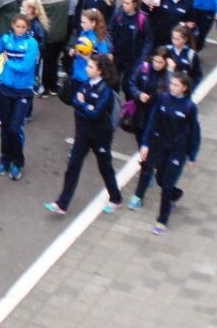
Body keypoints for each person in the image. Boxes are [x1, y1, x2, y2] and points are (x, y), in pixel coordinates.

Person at [44, 54, 123, 215]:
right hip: (83, 132)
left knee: (104, 166)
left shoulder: (106, 91)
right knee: (73, 165)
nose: (87, 69)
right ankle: (62, 203)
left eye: (91, 67)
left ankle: (115, 198)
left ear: (100, 71)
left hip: (101, 135)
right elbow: (75, 101)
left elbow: (95, 113)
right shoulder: (86, 83)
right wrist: (86, 106)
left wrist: (82, 103)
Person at [131, 71, 200, 234]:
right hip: (160, 145)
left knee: (167, 184)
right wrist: (146, 143)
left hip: (178, 150)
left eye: (176, 85)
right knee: (160, 178)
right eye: (171, 84)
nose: (172, 87)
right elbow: (153, 121)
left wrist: (192, 155)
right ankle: (176, 194)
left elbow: (194, 133)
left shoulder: (189, 107)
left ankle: (162, 220)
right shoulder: (163, 99)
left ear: (184, 88)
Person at [0, 14, 40, 181]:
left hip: (23, 91)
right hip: (6, 88)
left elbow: (25, 67)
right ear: (13, 26)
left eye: (23, 27)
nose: (20, 30)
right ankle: (5, 160)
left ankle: (18, 162)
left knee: (15, 128)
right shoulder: (5, 39)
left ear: (28, 28)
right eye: (18, 26)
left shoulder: (32, 44)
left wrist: (5, 60)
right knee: (5, 129)